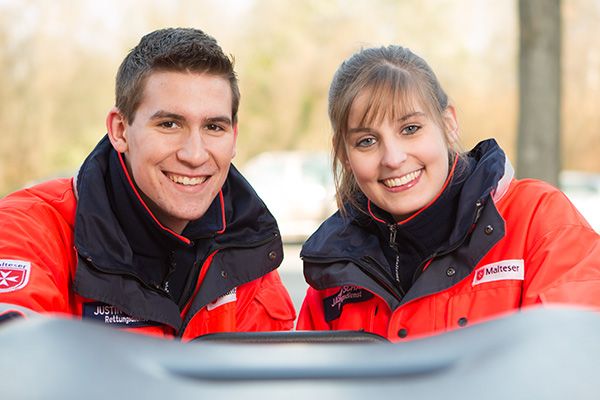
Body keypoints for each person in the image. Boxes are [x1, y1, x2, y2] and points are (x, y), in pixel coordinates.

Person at [0, 28, 295, 340]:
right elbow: (14, 360)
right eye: (169, 124)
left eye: (213, 126)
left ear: (233, 137)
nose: (194, 155)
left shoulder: (247, 247)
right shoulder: (29, 230)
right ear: (120, 130)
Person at [296, 45, 600, 341]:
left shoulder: (539, 221)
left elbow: (570, 366)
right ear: (344, 155)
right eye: (366, 141)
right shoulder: (333, 272)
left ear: (449, 124)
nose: (393, 158)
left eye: (410, 128)